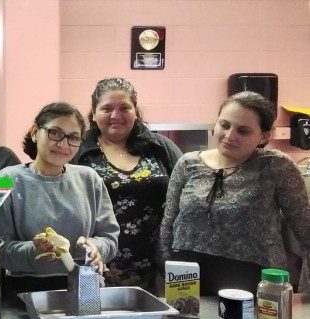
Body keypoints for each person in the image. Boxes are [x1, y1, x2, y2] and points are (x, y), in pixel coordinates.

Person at [161, 91, 310, 296]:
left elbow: (305, 230)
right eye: (225, 125)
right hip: (188, 281)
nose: (230, 136)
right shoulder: (188, 163)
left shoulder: (276, 166)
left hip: (253, 284)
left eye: (243, 131)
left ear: (264, 136)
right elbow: (168, 226)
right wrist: (166, 272)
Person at [0, 102, 119, 294]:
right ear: (35, 132)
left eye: (73, 137)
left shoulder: (89, 179)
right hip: (24, 290)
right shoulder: (8, 179)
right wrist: (34, 251)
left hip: (85, 288)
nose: (63, 144)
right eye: (55, 133)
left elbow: (109, 238)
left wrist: (96, 247)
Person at [72, 77, 182, 293]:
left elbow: (186, 190)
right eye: (107, 108)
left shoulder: (159, 147)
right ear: (93, 114)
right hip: (95, 261)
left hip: (155, 265)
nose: (116, 115)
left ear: (135, 111)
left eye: (124, 108)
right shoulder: (77, 150)